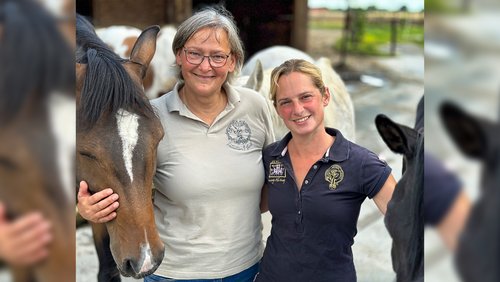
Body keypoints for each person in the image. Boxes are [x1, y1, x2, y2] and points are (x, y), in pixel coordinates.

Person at [77, 6, 275, 281]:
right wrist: (88, 208)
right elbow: (120, 178)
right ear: (179, 56)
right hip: (175, 272)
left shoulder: (255, 107)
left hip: (246, 267)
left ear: (233, 62)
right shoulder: (148, 119)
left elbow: (275, 173)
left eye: (218, 56)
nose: (206, 66)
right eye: (194, 53)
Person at [255, 59, 396, 281]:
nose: (297, 109)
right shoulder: (271, 157)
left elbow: (409, 222)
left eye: (305, 97)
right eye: (286, 102)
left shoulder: (360, 162)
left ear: (325, 96)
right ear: (277, 109)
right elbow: (249, 206)